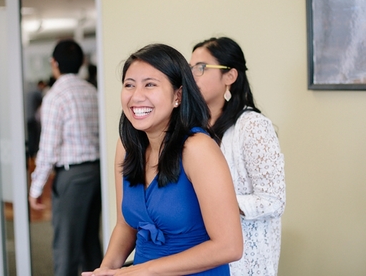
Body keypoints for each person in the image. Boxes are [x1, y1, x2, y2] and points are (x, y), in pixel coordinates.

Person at [86, 44, 242, 276]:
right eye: (129, 85)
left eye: (150, 84)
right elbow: (125, 225)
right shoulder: (126, 146)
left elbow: (230, 247)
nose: (136, 96)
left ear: (178, 95)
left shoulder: (198, 149)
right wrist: (105, 269)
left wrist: (143, 271)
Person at [190, 37, 286, 276]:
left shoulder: (252, 126)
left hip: (243, 260)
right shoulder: (188, 127)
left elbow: (274, 200)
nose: (191, 76)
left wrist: (216, 205)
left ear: (230, 76)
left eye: (200, 68)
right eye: (189, 68)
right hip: (198, 252)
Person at [28, 39, 102, 276]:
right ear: (82, 62)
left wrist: (36, 187)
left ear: (54, 63)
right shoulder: (92, 92)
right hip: (96, 172)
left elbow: (48, 148)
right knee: (91, 243)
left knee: (66, 247)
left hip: (72, 177)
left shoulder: (55, 96)